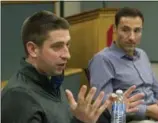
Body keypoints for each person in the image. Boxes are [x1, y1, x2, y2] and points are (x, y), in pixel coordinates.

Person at [1, 10, 144, 123]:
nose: (67, 55)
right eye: (57, 47)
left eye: (67, 45)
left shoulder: (51, 80)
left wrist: (106, 111)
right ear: (33, 49)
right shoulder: (18, 97)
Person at [88, 7, 158, 123]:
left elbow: (157, 88)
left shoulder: (142, 55)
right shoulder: (102, 60)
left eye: (137, 30)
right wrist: (147, 110)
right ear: (114, 29)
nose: (132, 37)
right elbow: (104, 104)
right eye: (125, 30)